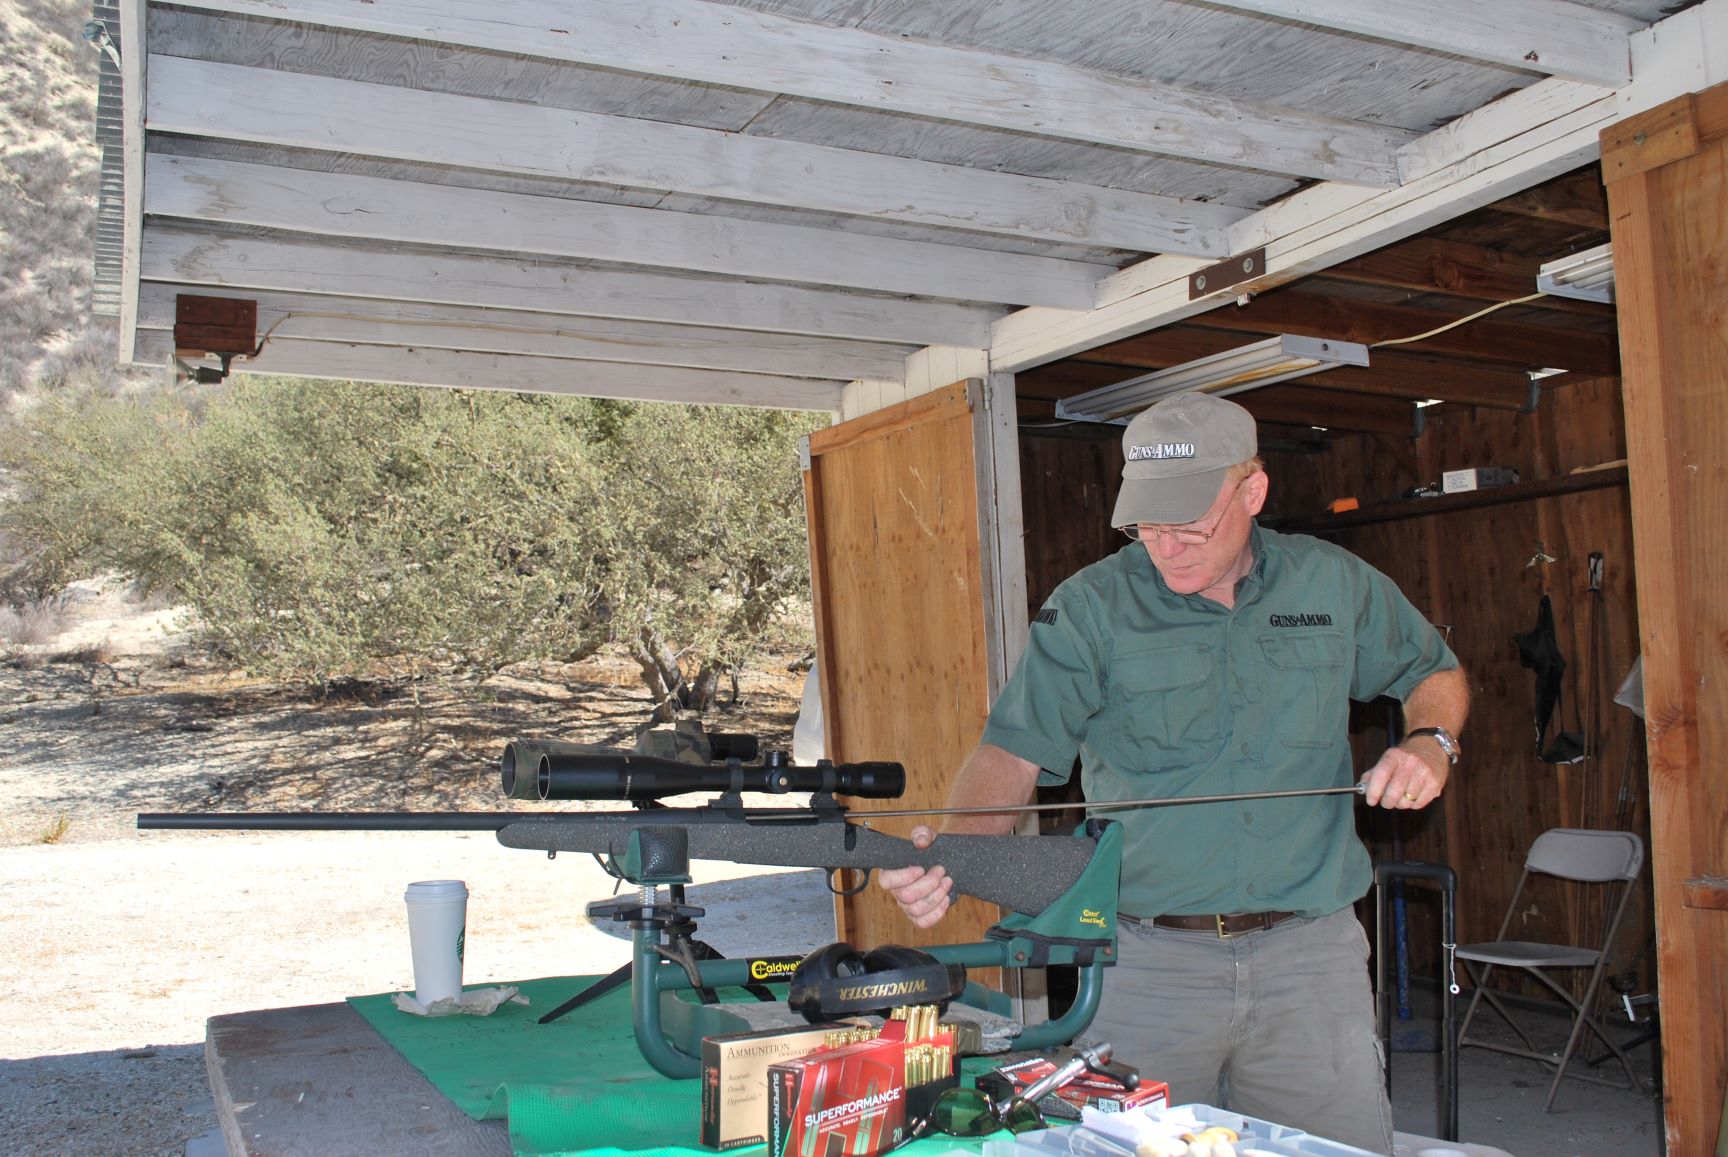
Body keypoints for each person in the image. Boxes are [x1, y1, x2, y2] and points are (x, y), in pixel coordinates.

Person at [879, 392, 1468, 1154]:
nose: (1167, 546)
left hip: (1310, 962)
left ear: (1252, 493)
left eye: (1190, 525)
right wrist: (955, 856)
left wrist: (1431, 742)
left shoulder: (1333, 584)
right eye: (1148, 525)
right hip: (1147, 966)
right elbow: (1011, 752)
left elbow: (1436, 672)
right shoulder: (1091, 607)